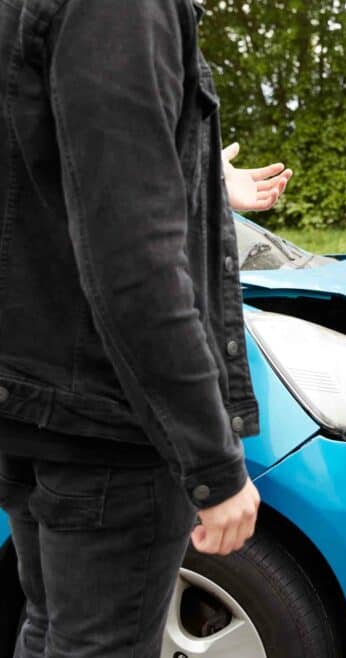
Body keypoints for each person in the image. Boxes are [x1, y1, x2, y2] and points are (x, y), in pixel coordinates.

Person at [0, 0, 291, 655]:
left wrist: (202, 174)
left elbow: (49, 150)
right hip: (109, 419)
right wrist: (213, 467)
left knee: (53, 629)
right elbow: (133, 260)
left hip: (38, 396)